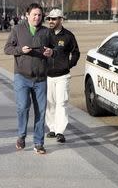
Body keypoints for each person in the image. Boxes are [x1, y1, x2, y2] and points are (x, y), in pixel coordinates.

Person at [4, 3, 55, 155]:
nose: (37, 17)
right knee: (23, 107)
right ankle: (21, 135)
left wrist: (51, 52)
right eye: (34, 14)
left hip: (40, 79)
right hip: (22, 76)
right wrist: (20, 50)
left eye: (39, 15)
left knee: (40, 111)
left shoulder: (47, 32)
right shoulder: (17, 30)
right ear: (27, 15)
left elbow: (55, 50)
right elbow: (7, 49)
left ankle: (39, 143)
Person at [45, 9, 80, 144]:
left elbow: (76, 53)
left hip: (63, 76)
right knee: (50, 104)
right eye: (49, 19)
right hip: (48, 76)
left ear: (61, 20)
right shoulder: (45, 34)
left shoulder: (69, 36)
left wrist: (68, 65)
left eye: (54, 19)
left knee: (62, 103)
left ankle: (60, 131)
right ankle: (52, 129)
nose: (50, 21)